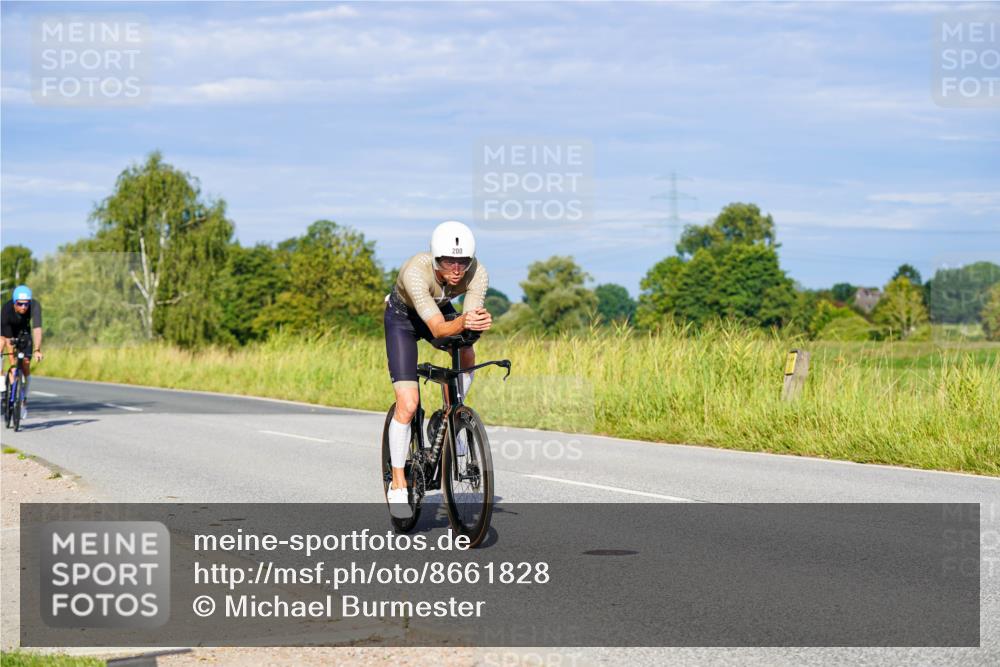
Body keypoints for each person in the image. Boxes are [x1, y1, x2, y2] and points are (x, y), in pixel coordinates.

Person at [383, 221, 492, 518]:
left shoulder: (478, 271)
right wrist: (465, 322)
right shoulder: (415, 272)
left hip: (439, 310)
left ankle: (451, 413)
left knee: (467, 350)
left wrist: (476, 324)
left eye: (462, 261)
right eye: (448, 261)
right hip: (404, 319)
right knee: (408, 404)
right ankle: (397, 484)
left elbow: (468, 318)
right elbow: (438, 328)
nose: (456, 269)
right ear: (435, 258)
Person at [1, 285, 43, 419]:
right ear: (14, 303)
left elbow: (37, 329)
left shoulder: (35, 306)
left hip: (23, 332)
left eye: (26, 304)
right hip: (6, 332)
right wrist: (13, 364)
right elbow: (8, 340)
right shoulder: (7, 309)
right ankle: (2, 386)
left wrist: (37, 349)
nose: (24, 307)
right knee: (1, 345)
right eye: (20, 304)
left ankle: (24, 398)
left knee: (25, 363)